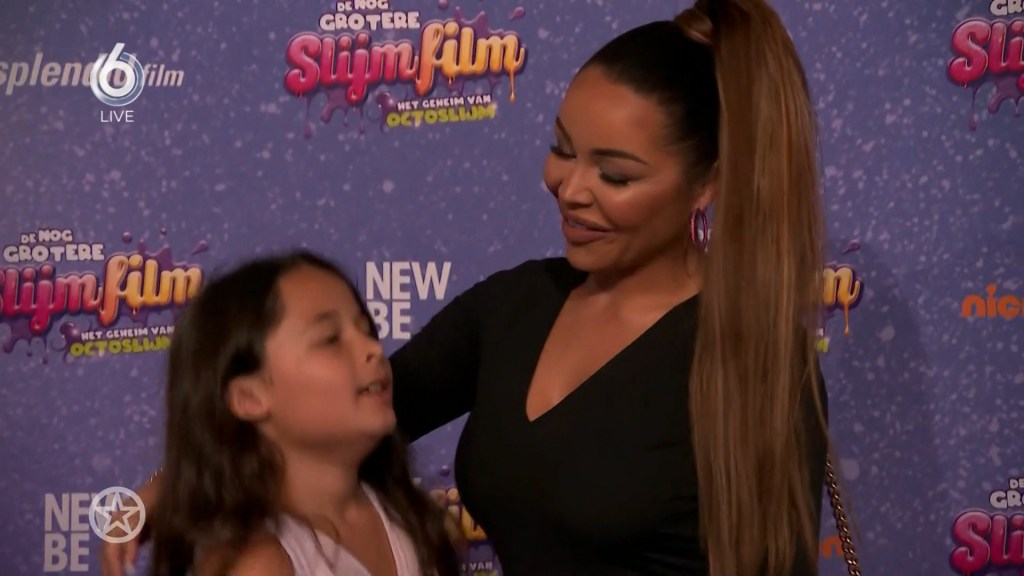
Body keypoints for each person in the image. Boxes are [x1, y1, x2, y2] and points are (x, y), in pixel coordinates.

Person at [103, 0, 837, 574]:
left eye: (615, 175)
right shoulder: (515, 306)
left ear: (707, 184)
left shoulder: (751, 360)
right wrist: (182, 481)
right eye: (562, 150)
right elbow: (343, 413)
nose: (571, 188)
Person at [136, 251, 460, 576]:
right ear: (249, 397)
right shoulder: (259, 565)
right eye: (330, 339)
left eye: (367, 331)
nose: (374, 349)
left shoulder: (416, 524)